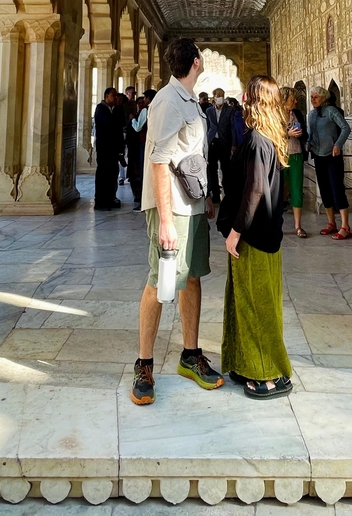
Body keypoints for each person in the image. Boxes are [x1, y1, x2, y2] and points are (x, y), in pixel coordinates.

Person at [131, 38, 223, 405]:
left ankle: (189, 354)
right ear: (197, 61)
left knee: (193, 277)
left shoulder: (188, 102)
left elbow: (192, 157)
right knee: (160, 281)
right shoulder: (169, 101)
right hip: (171, 211)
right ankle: (144, 364)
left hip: (192, 206)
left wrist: (207, 197)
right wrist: (166, 221)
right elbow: (158, 160)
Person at [218, 75, 292, 399]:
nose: (242, 99)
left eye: (247, 95)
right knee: (251, 302)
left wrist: (236, 231)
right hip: (266, 234)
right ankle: (246, 362)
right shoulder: (269, 137)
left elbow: (256, 189)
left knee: (255, 306)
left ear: (254, 100)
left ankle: (267, 376)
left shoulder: (259, 140)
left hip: (254, 237)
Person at [308, 86, 352, 239]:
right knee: (325, 189)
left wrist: (337, 145)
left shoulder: (331, 111)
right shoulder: (312, 114)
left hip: (332, 156)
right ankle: (331, 223)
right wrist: (308, 143)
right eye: (311, 96)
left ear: (324, 98)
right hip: (318, 155)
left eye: (316, 97)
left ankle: (345, 226)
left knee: (337, 188)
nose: (313, 99)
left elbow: (346, 128)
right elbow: (310, 133)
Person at [280, 86, 308, 238]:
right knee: (278, 190)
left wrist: (301, 134)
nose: (295, 101)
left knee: (296, 188)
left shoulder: (296, 113)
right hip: (280, 156)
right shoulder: (275, 114)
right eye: (293, 99)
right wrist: (287, 133)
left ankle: (298, 226)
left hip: (296, 154)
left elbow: (305, 133)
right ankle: (277, 224)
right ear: (285, 99)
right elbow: (271, 134)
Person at [93, 87, 124, 211]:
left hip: (112, 149)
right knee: (103, 175)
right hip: (104, 149)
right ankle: (100, 201)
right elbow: (112, 124)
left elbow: (121, 123)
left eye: (116, 96)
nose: (115, 99)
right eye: (113, 96)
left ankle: (110, 198)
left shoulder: (113, 109)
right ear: (106, 96)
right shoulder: (101, 109)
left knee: (112, 174)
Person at [205, 87, 234, 204]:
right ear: (214, 98)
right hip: (212, 141)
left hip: (224, 142)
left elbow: (232, 128)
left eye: (222, 95)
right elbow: (207, 127)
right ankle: (215, 194)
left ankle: (227, 194)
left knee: (225, 168)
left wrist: (233, 144)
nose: (220, 98)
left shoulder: (229, 110)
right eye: (218, 96)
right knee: (212, 169)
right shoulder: (209, 111)